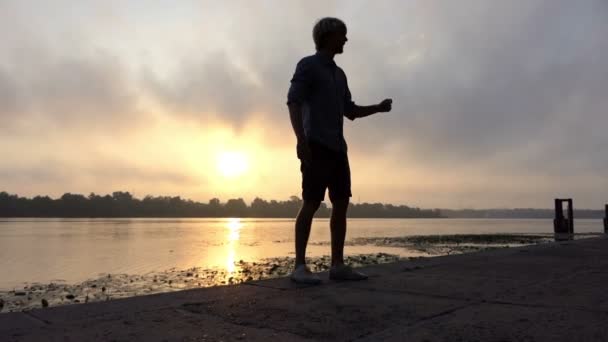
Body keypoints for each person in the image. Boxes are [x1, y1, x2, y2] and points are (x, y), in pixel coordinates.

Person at [286, 17, 393, 284]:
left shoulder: (339, 74)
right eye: (342, 35)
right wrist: (301, 140)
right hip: (315, 145)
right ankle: (299, 266)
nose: (346, 39)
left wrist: (378, 108)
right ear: (327, 36)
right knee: (311, 202)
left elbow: (350, 111)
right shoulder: (308, 65)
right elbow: (293, 102)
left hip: (338, 149)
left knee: (341, 203)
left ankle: (337, 265)